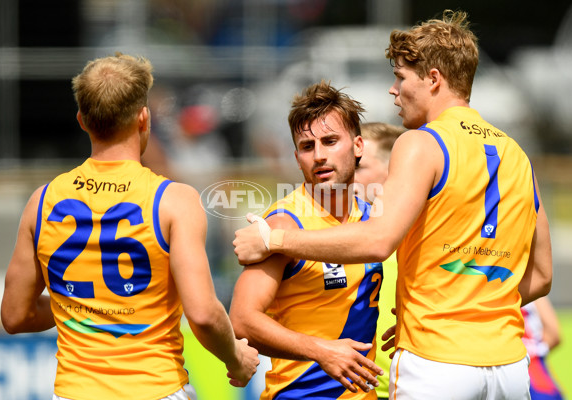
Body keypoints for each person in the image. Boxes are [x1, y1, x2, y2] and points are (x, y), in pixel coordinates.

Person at [233, 10, 553, 400]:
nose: (393, 90)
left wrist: (273, 240)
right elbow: (541, 274)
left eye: (401, 77)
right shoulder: (517, 154)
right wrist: (471, 301)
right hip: (509, 367)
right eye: (306, 145)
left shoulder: (421, 142)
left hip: (438, 359)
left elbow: (379, 241)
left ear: (433, 79)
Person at [0, 52, 259, 400]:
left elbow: (15, 316)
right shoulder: (173, 200)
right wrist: (236, 358)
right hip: (155, 389)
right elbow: (203, 314)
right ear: (143, 118)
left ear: (81, 119)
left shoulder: (42, 201)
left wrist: (81, 306)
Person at [229, 80, 384, 399]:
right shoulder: (284, 222)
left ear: (357, 147)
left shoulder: (375, 217)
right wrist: (321, 351)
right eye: (307, 146)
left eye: (330, 141)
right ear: (297, 156)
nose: (319, 156)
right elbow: (242, 320)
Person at [354, 122, 404, 400]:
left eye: (359, 166)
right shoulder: (324, 232)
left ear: (397, 171)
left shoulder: (427, 235)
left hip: (411, 386)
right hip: (350, 390)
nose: (346, 173)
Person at [522, 297, 564, 400]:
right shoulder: (530, 285)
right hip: (538, 378)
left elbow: (554, 336)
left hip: (502, 371)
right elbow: (554, 335)